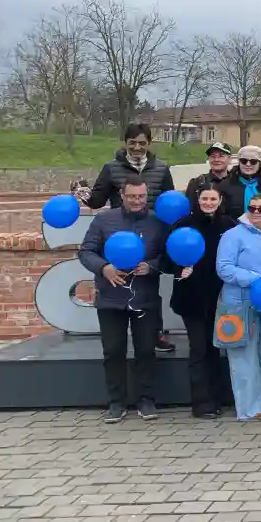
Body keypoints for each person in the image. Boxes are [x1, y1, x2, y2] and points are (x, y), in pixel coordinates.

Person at [78, 122, 177, 353]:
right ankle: (117, 332)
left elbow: (170, 201)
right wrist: (83, 195)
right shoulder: (111, 168)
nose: (137, 147)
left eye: (142, 143)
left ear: (149, 143)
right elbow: (98, 199)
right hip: (119, 234)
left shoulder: (161, 168)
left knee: (150, 286)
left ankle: (155, 334)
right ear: (125, 143)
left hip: (152, 229)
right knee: (118, 281)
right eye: (132, 142)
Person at [78, 177, 169, 422]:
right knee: (113, 351)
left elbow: (168, 256)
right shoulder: (103, 220)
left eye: (141, 196)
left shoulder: (157, 223)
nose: (137, 201)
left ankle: (147, 401)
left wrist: (151, 266)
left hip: (145, 297)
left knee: (146, 351)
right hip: (110, 298)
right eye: (132, 196)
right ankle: (116, 403)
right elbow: (85, 251)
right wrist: (104, 267)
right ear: (122, 195)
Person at [216, 191, 261, 421]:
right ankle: (246, 409)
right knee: (241, 357)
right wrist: (256, 279)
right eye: (252, 207)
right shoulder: (232, 235)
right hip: (239, 304)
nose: (255, 212)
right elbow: (224, 267)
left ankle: (259, 403)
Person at [165, 182, 237, 419]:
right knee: (199, 350)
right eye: (204, 199)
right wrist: (179, 269)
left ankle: (217, 398)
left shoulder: (228, 225)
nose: (208, 203)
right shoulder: (183, 225)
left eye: (213, 199)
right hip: (192, 299)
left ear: (219, 201)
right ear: (197, 200)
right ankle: (201, 403)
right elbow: (168, 257)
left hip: (219, 297)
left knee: (215, 348)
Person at [218, 145, 261, 231]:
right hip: (235, 235)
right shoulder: (226, 185)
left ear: (260, 164)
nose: (248, 164)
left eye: (253, 161)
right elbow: (222, 216)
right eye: (244, 161)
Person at [185, 142, 234, 206]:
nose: (216, 159)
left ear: (229, 159)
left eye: (221, 156)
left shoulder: (237, 182)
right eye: (213, 156)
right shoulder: (196, 184)